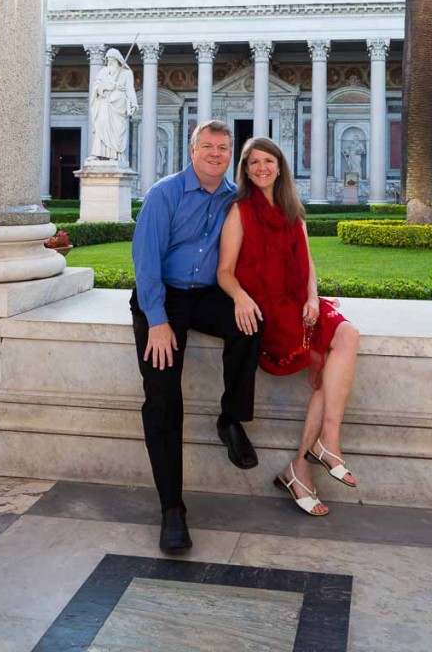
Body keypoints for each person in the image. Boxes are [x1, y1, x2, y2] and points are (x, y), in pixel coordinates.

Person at [131, 121, 263, 553]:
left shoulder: (233, 199)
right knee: (164, 396)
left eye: (223, 148)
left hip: (206, 295)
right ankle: (172, 509)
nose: (215, 153)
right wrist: (156, 319)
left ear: (231, 155)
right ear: (191, 151)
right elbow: (145, 261)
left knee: (251, 324)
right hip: (162, 297)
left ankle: (230, 419)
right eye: (207, 146)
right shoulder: (164, 194)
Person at [217, 137, 360, 516]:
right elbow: (224, 272)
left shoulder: (293, 209)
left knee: (348, 335)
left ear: (280, 166)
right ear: (246, 171)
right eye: (253, 163)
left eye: (268, 160)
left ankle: (317, 451)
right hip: (268, 313)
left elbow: (309, 264)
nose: (261, 167)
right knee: (331, 365)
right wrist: (241, 298)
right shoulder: (240, 211)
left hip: (300, 305)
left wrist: (313, 298)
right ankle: (309, 461)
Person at [88, 49, 138, 161]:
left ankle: (115, 155)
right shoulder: (103, 72)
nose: (110, 62)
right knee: (101, 127)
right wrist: (108, 87)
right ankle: (97, 153)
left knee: (117, 131)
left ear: (118, 60)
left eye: (112, 60)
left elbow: (130, 89)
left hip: (118, 106)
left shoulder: (126, 73)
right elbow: (96, 87)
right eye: (108, 60)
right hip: (104, 104)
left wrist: (133, 103)